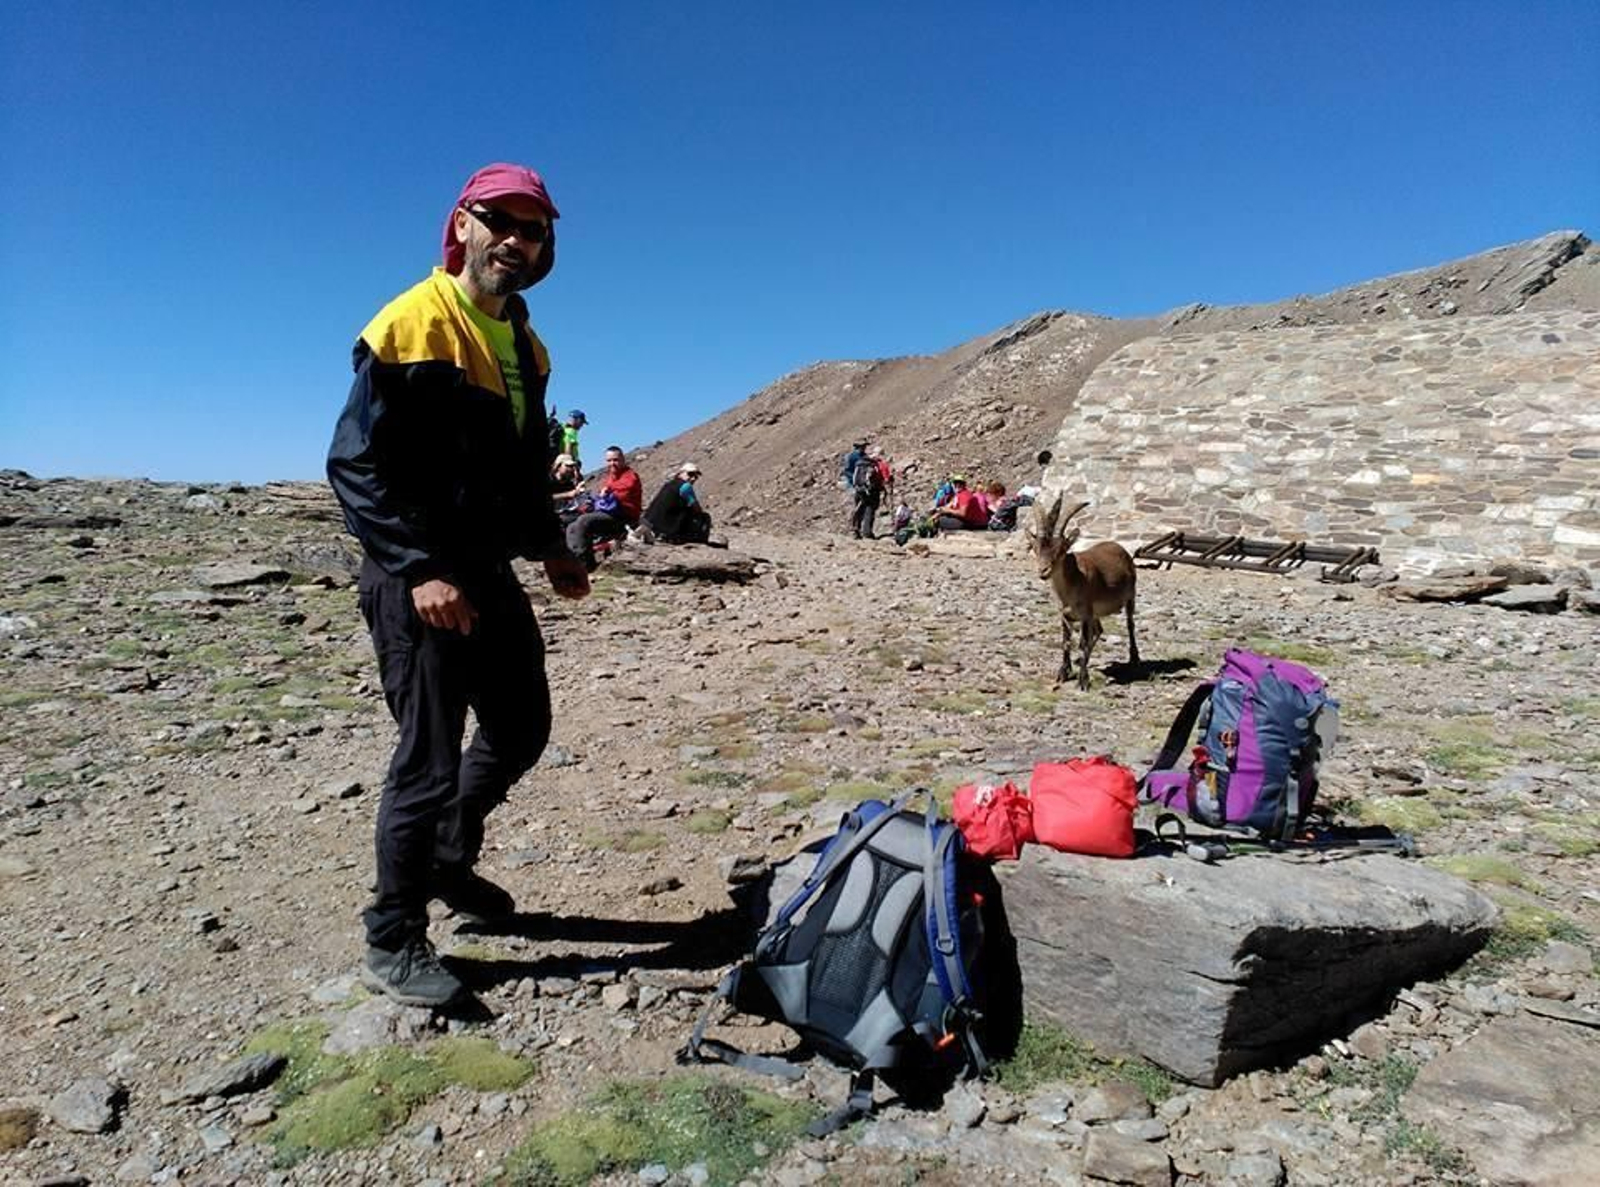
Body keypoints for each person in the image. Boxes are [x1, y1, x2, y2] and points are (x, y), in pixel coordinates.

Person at [327, 162, 591, 1008]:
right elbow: (354, 464)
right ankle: (393, 937)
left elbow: (520, 464)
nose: (516, 240)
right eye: (500, 221)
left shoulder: (525, 344)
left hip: (486, 568)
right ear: (463, 225)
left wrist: (550, 545)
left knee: (520, 726)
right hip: (419, 576)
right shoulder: (413, 323)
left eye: (533, 229)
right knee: (429, 757)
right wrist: (419, 568)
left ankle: (447, 853)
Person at [566, 445, 642, 565]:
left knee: (584, 520)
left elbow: (620, 495)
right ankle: (579, 561)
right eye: (609, 460)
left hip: (624, 516)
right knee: (572, 526)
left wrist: (607, 490)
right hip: (611, 513)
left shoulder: (630, 476)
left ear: (623, 459)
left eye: (615, 460)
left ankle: (583, 564)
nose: (612, 463)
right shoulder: (612, 476)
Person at [644, 462, 712, 544]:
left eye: (696, 476)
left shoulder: (669, 485)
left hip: (649, 524)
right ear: (681, 473)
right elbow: (697, 508)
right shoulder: (685, 487)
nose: (693, 478)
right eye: (690, 474)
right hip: (665, 529)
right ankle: (697, 540)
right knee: (704, 517)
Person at [849, 446, 886, 539]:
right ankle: (867, 532)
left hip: (858, 489)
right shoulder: (876, 464)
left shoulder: (861, 462)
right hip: (871, 490)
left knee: (859, 509)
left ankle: (855, 530)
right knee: (870, 510)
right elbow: (884, 477)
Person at [550, 454, 585, 521]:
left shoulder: (568, 482)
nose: (570, 469)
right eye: (568, 466)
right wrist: (567, 494)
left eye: (572, 466)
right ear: (559, 466)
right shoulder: (550, 479)